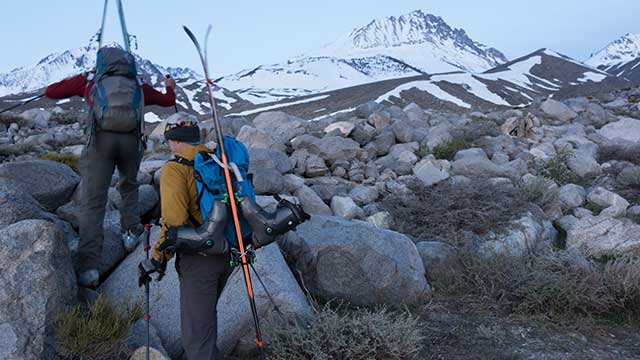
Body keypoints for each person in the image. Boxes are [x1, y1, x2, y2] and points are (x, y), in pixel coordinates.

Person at [45, 46, 177, 287]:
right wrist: (170, 86)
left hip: (99, 144)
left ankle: (90, 268)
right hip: (130, 144)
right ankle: (130, 234)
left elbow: (51, 91)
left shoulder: (92, 82)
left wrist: (80, 80)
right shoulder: (137, 85)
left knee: (93, 202)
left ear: (101, 64)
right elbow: (169, 101)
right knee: (129, 186)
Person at [140, 112, 232, 359]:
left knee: (197, 339)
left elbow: (174, 223)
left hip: (200, 257)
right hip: (229, 250)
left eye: (169, 139)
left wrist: (157, 259)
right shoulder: (216, 158)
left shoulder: (175, 169)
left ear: (174, 140)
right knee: (205, 322)